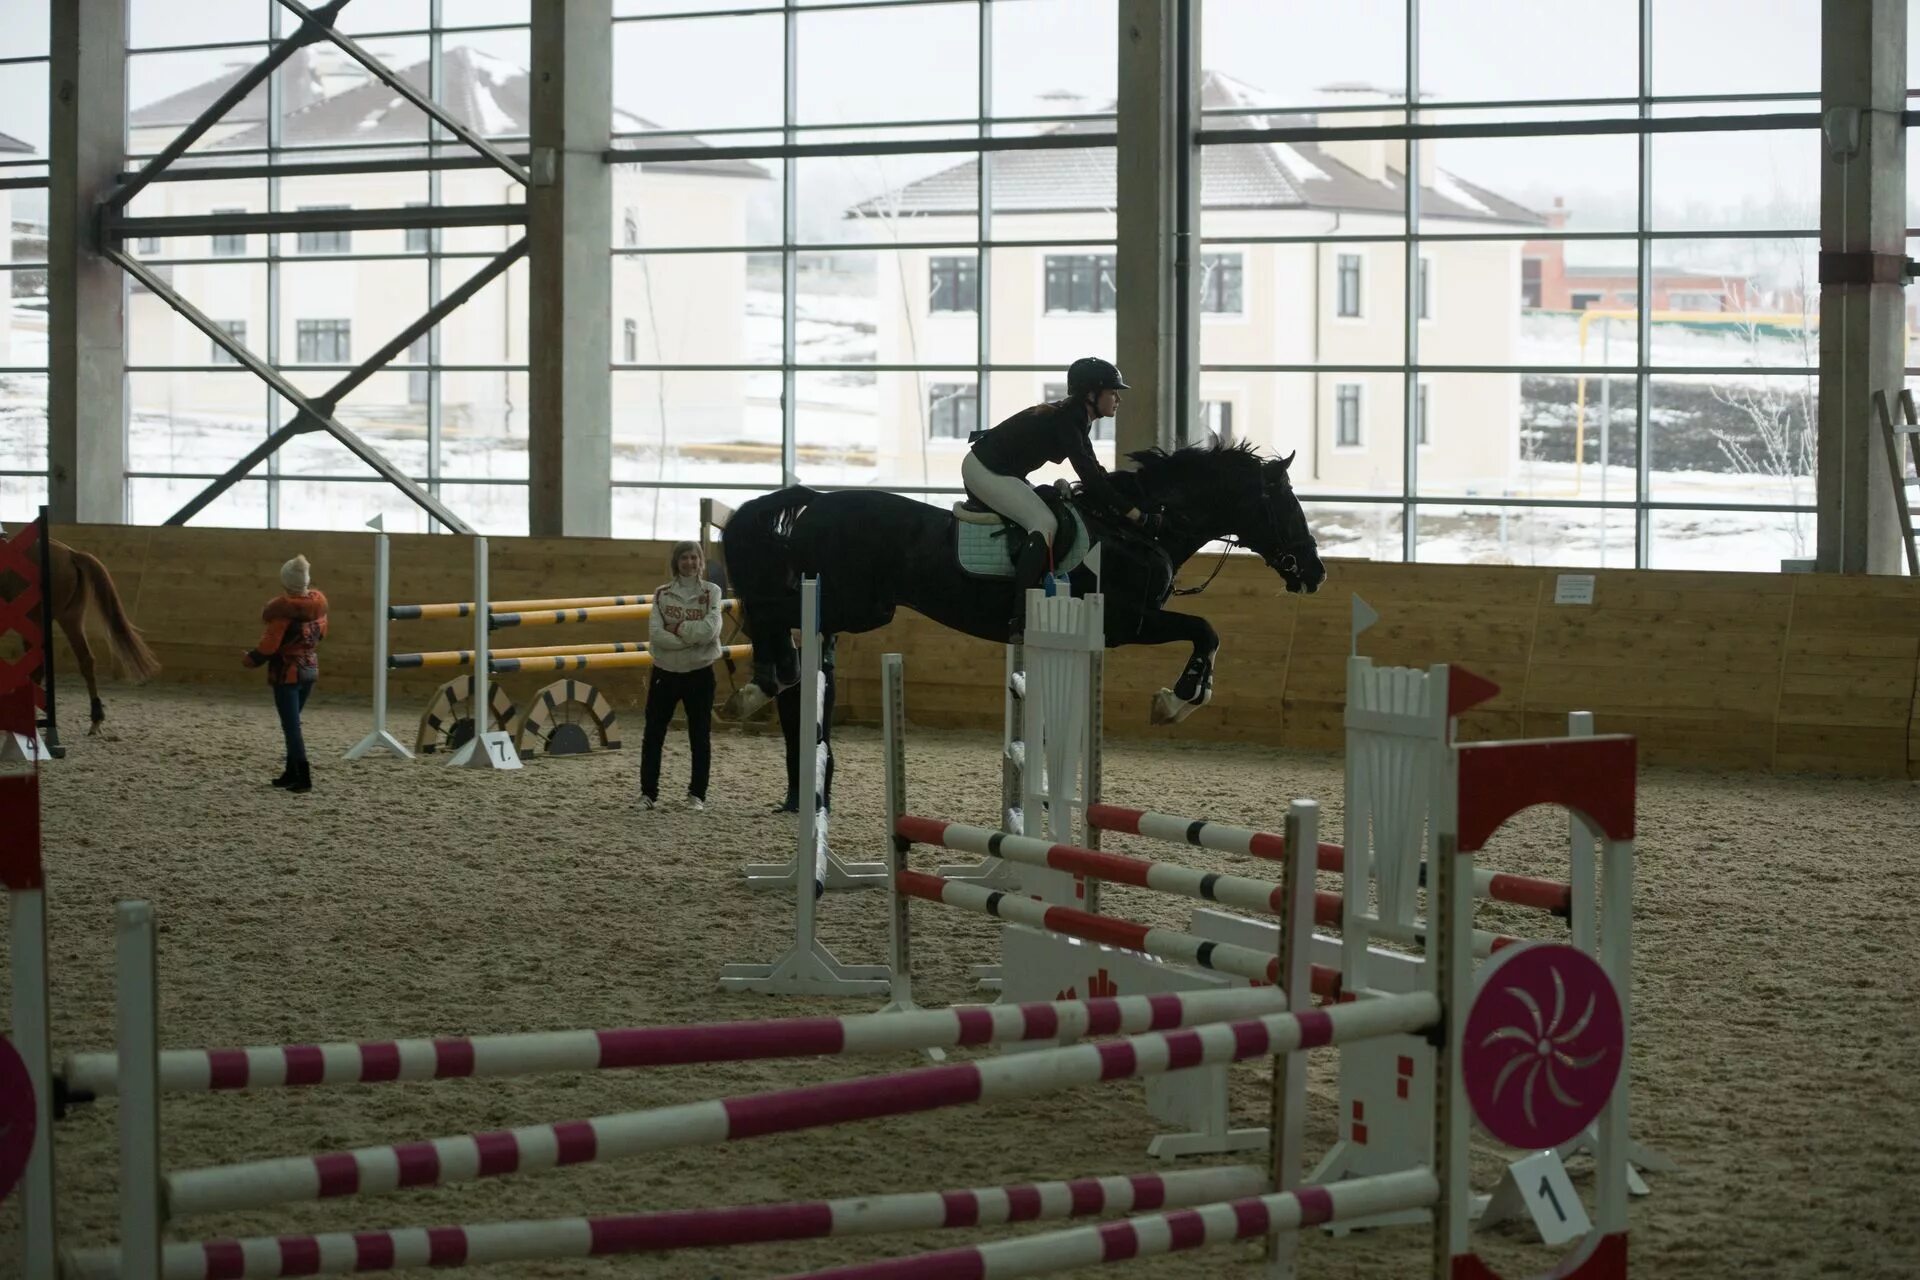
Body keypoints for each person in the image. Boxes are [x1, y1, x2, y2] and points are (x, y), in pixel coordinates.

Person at [962, 356, 1149, 630]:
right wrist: (1135, 514)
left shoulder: (1077, 417)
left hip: (1002, 471)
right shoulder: (1067, 419)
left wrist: (1120, 500)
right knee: (1045, 523)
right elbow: (1089, 478)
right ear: (1091, 394)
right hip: (983, 470)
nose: (1118, 399)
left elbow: (1094, 469)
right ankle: (1020, 614)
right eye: (1113, 392)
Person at [642, 540, 724, 811]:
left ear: (701, 561)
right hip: (665, 672)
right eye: (684, 558)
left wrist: (676, 629)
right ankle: (648, 793)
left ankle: (697, 794)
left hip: (700, 673)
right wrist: (689, 637)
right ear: (676, 562)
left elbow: (710, 631)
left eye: (694, 557)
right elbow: (656, 634)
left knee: (699, 735)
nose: (689, 562)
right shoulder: (661, 594)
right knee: (653, 734)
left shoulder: (713, 592)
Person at [242, 554, 328, 795]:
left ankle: (303, 776)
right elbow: (321, 636)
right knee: (293, 725)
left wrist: (251, 659)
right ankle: (291, 772)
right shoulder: (319, 611)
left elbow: (269, 646)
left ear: (285, 582)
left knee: (291, 727)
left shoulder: (281, 615)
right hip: (309, 669)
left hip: (287, 673)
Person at [772, 632, 835, 814]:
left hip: (819, 666)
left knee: (820, 738)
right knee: (792, 738)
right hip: (788, 669)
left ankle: (822, 796)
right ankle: (794, 795)